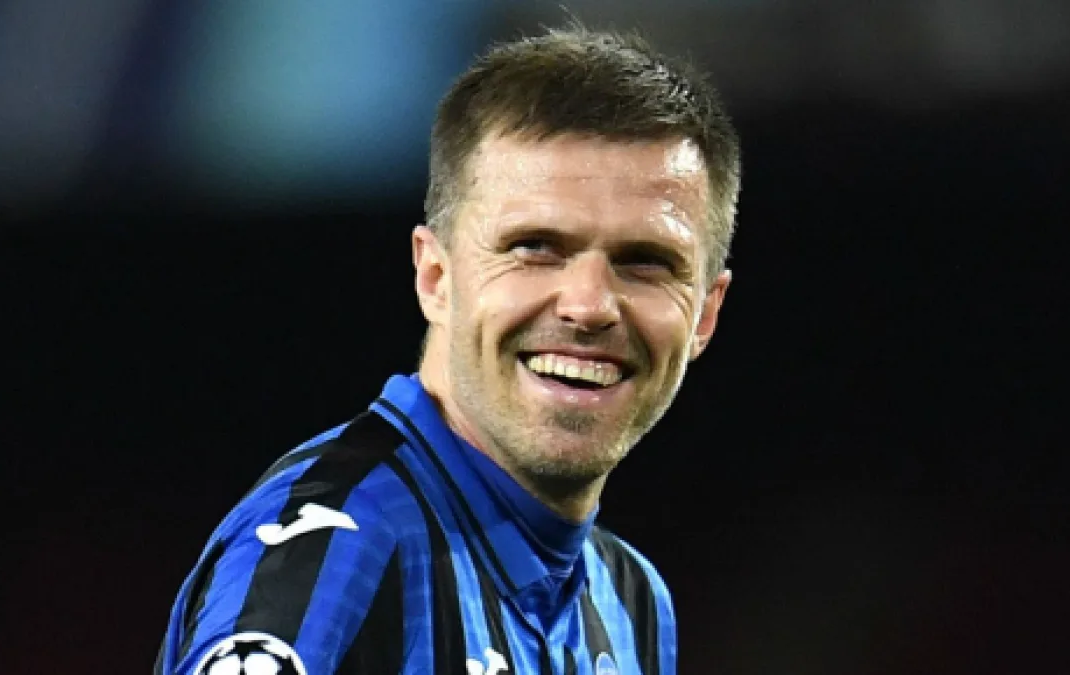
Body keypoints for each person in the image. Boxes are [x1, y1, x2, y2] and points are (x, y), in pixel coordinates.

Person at [156, 22, 740, 675]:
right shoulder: (336, 546)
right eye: (534, 247)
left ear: (705, 314)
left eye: (646, 262)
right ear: (435, 276)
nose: (589, 305)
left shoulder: (632, 604)